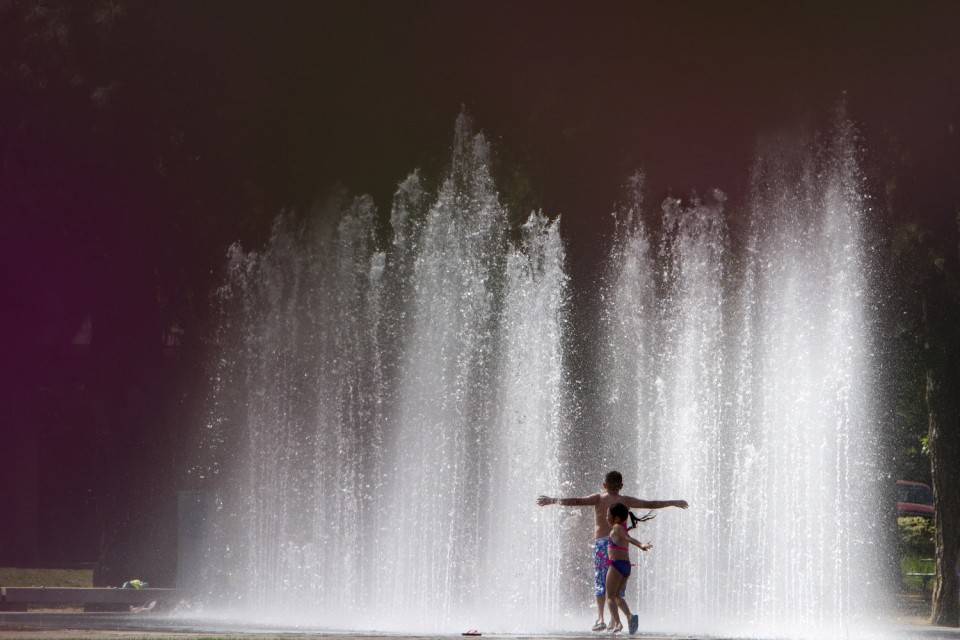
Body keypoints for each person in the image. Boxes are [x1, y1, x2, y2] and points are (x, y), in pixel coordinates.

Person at [537, 470, 688, 633]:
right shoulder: (626, 500)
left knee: (601, 581)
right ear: (621, 486)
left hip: (603, 545)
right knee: (616, 584)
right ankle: (613, 620)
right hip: (620, 546)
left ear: (604, 485)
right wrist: (674, 502)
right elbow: (650, 504)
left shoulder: (598, 498)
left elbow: (576, 501)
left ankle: (601, 618)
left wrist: (552, 500)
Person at [602, 502, 651, 633]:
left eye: (608, 515)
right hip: (625, 566)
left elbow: (627, 538)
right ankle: (630, 616)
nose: (606, 517)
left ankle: (617, 624)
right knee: (617, 595)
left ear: (616, 517)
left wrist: (640, 545)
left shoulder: (617, 527)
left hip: (616, 565)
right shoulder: (622, 527)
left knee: (609, 596)